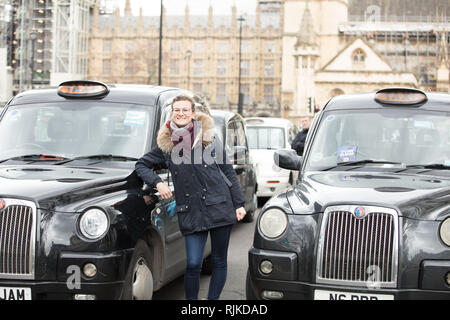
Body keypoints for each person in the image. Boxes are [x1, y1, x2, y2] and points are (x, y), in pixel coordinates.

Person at [135, 95, 246, 300]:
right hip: (191, 210)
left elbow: (227, 170)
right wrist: (157, 183)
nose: (181, 113)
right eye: (177, 110)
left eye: (185, 110)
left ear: (193, 113)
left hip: (220, 204)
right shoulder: (166, 146)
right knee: (193, 263)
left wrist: (239, 203)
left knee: (219, 261)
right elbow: (141, 165)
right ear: (172, 113)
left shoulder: (209, 137)